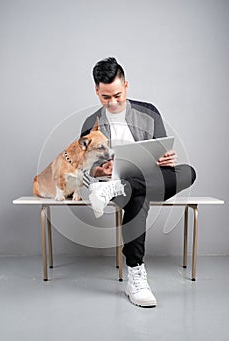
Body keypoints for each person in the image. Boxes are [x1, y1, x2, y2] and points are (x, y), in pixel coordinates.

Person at [81, 57, 196, 308]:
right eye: (105, 97)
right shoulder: (91, 124)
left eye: (118, 96)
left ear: (127, 86)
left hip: (149, 179)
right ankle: (135, 273)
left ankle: (124, 185)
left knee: (188, 172)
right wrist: (100, 170)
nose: (112, 102)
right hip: (112, 185)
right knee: (137, 196)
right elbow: (85, 169)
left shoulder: (149, 112)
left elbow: (161, 151)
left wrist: (168, 158)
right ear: (96, 91)